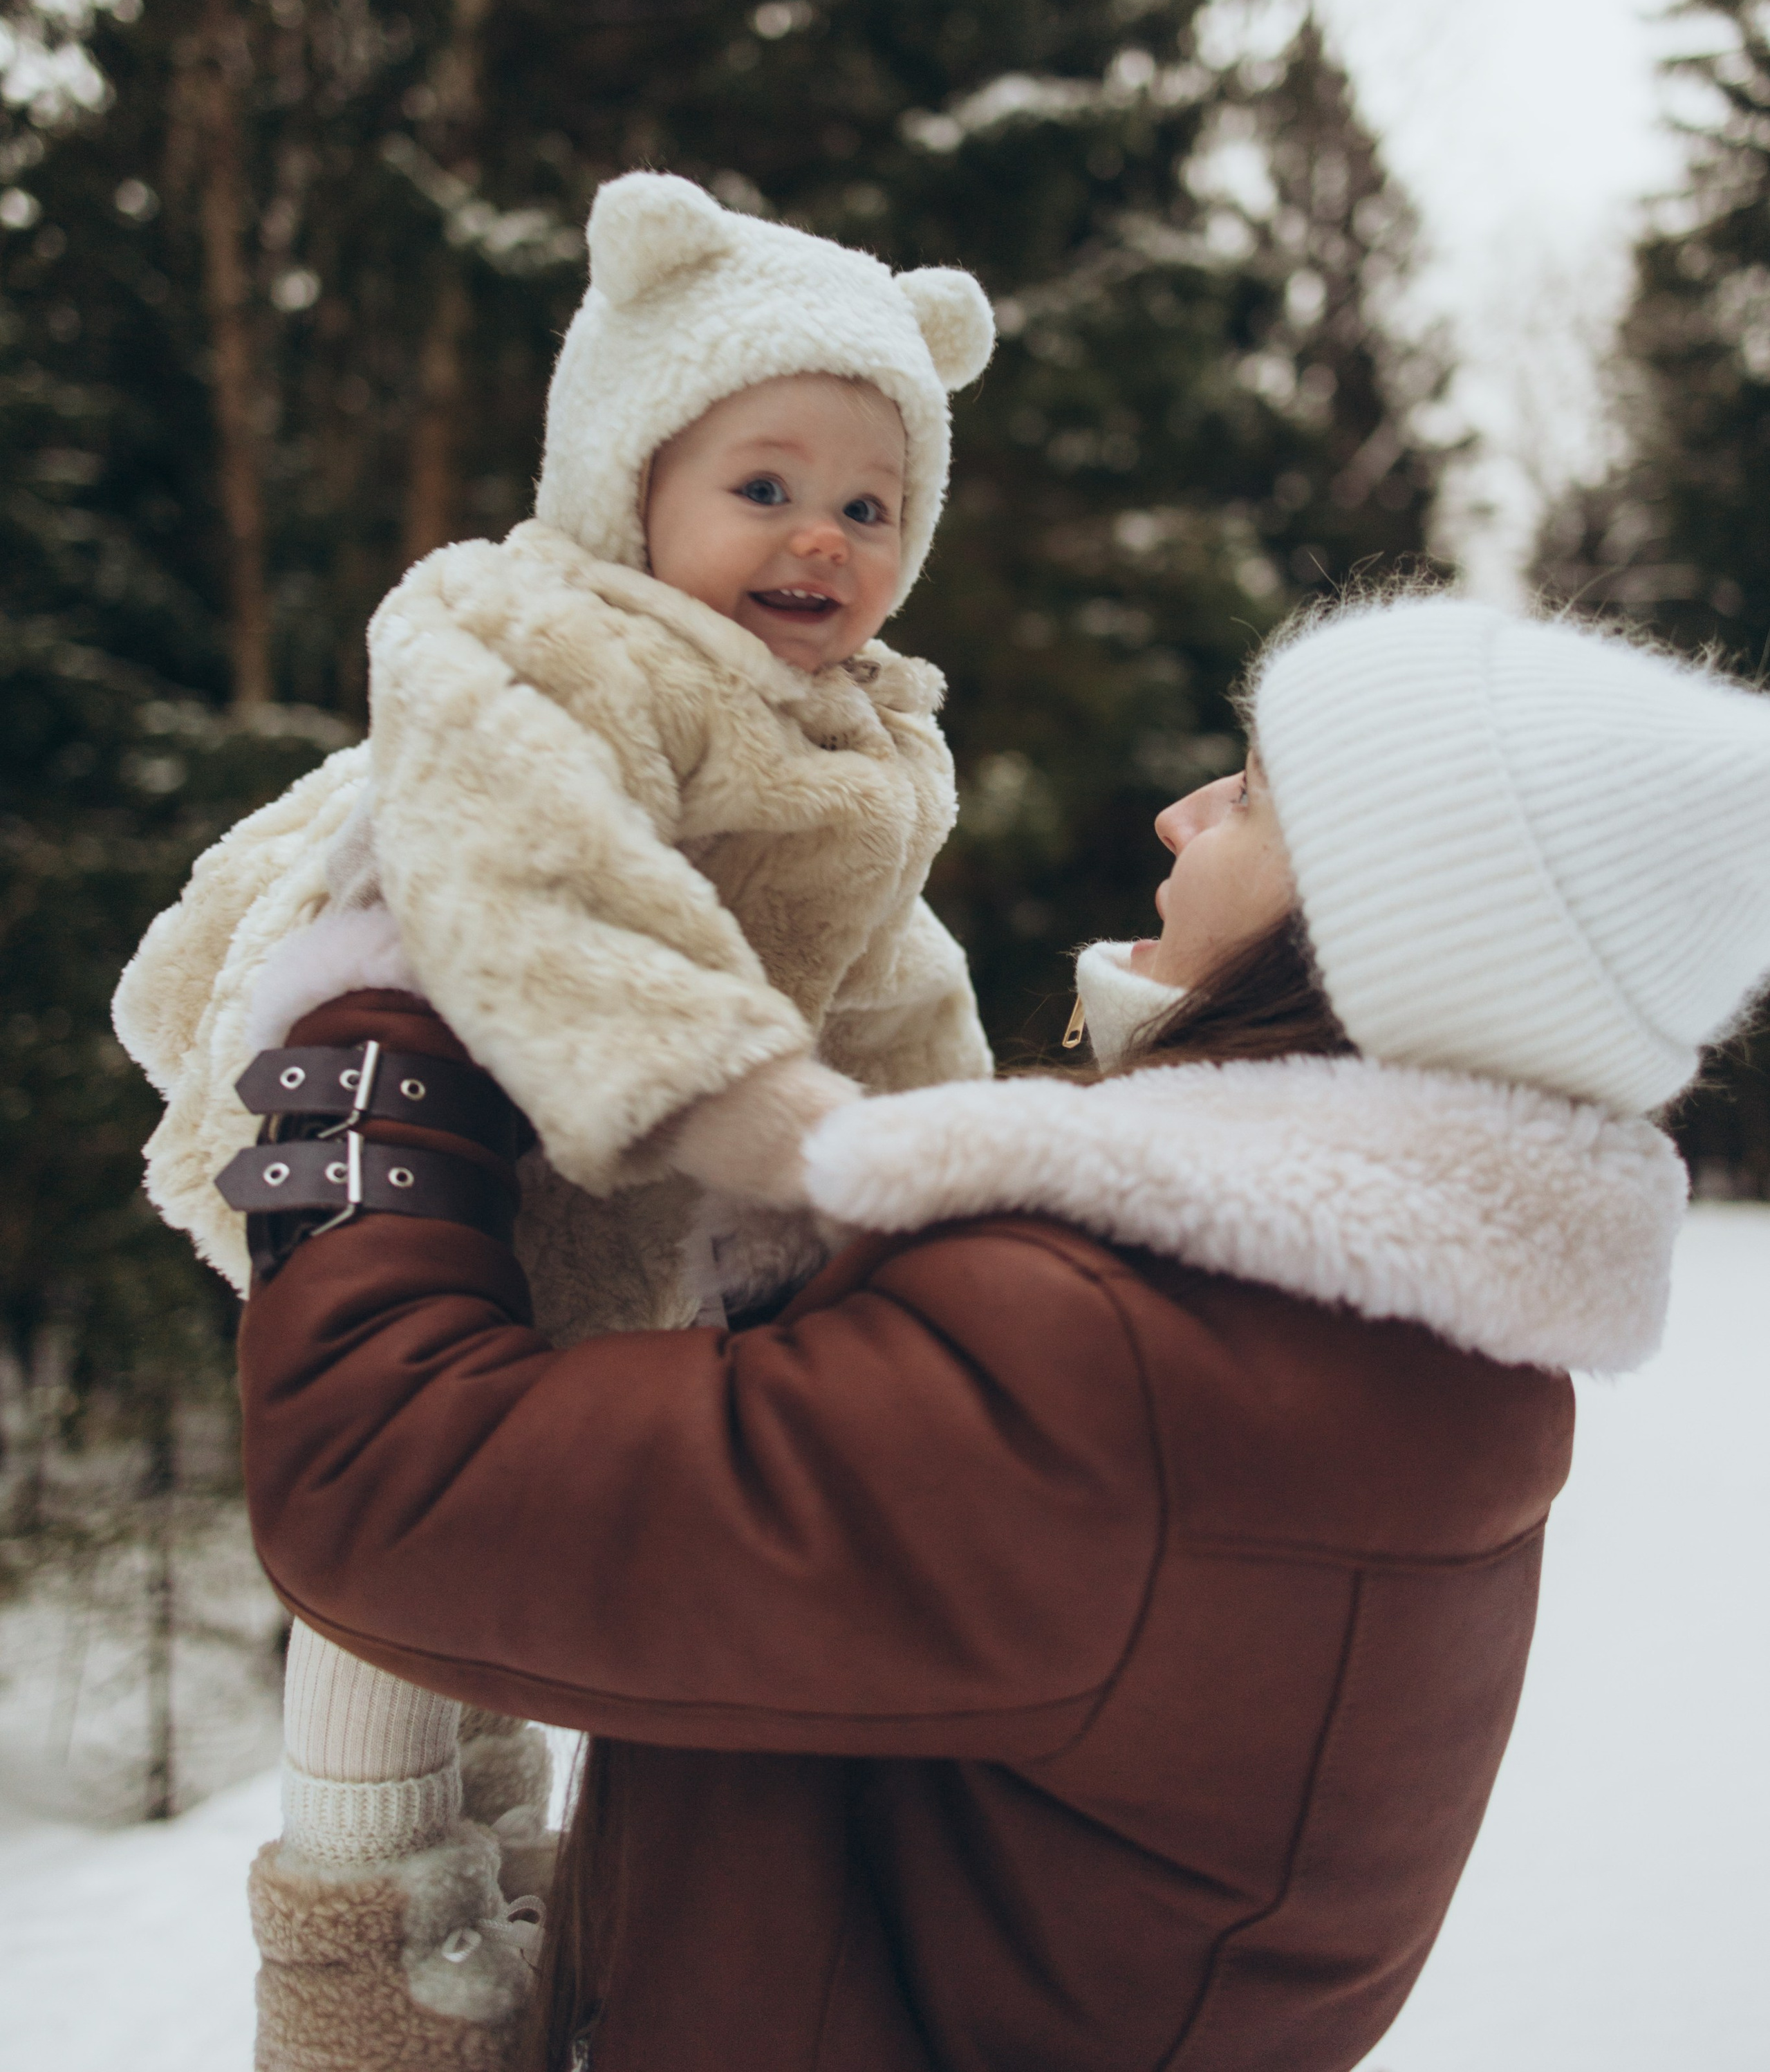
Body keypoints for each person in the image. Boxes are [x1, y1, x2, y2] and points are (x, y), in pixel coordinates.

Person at [236, 591, 1770, 2072]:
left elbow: (395, 1480)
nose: (1182, 815)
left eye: (1250, 798)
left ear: (1374, 925)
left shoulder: (1127, 1365)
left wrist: (391, 1019)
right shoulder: (1403, 1344)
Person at [111, 169, 999, 2062]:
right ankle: (358, 1984)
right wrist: (740, 1095)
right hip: (403, 1121)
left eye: (869, 504)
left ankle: (507, 1923)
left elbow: (896, 983)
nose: (819, 541)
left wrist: (949, 1185)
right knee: (386, 1569)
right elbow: (532, 866)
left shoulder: (863, 743)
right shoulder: (528, 633)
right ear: (627, 468)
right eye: (763, 484)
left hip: (621, 1185)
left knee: (529, 1558)